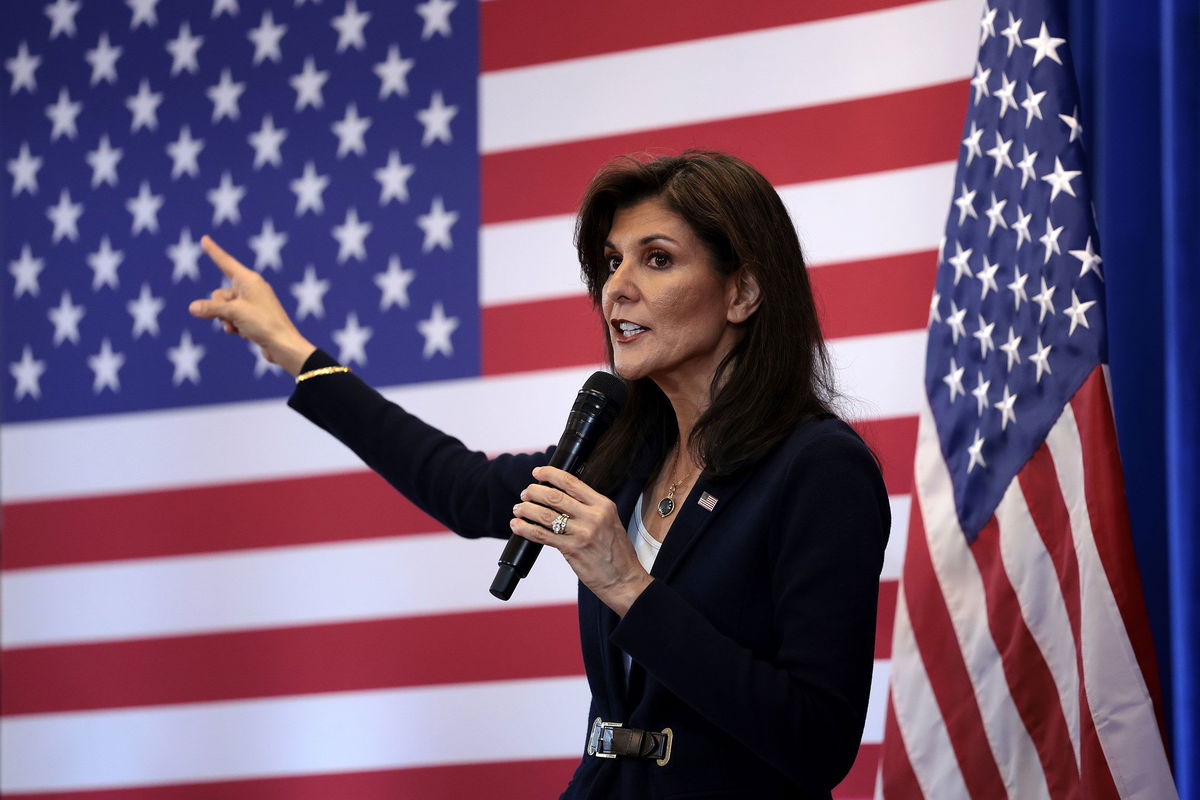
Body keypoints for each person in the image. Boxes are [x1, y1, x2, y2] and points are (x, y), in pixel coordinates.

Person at [189, 151, 890, 799]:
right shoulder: (619, 455)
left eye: (657, 259)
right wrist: (292, 349)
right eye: (613, 262)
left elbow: (817, 741)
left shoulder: (816, 467)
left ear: (743, 292)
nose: (618, 287)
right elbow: (460, 487)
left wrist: (627, 585)